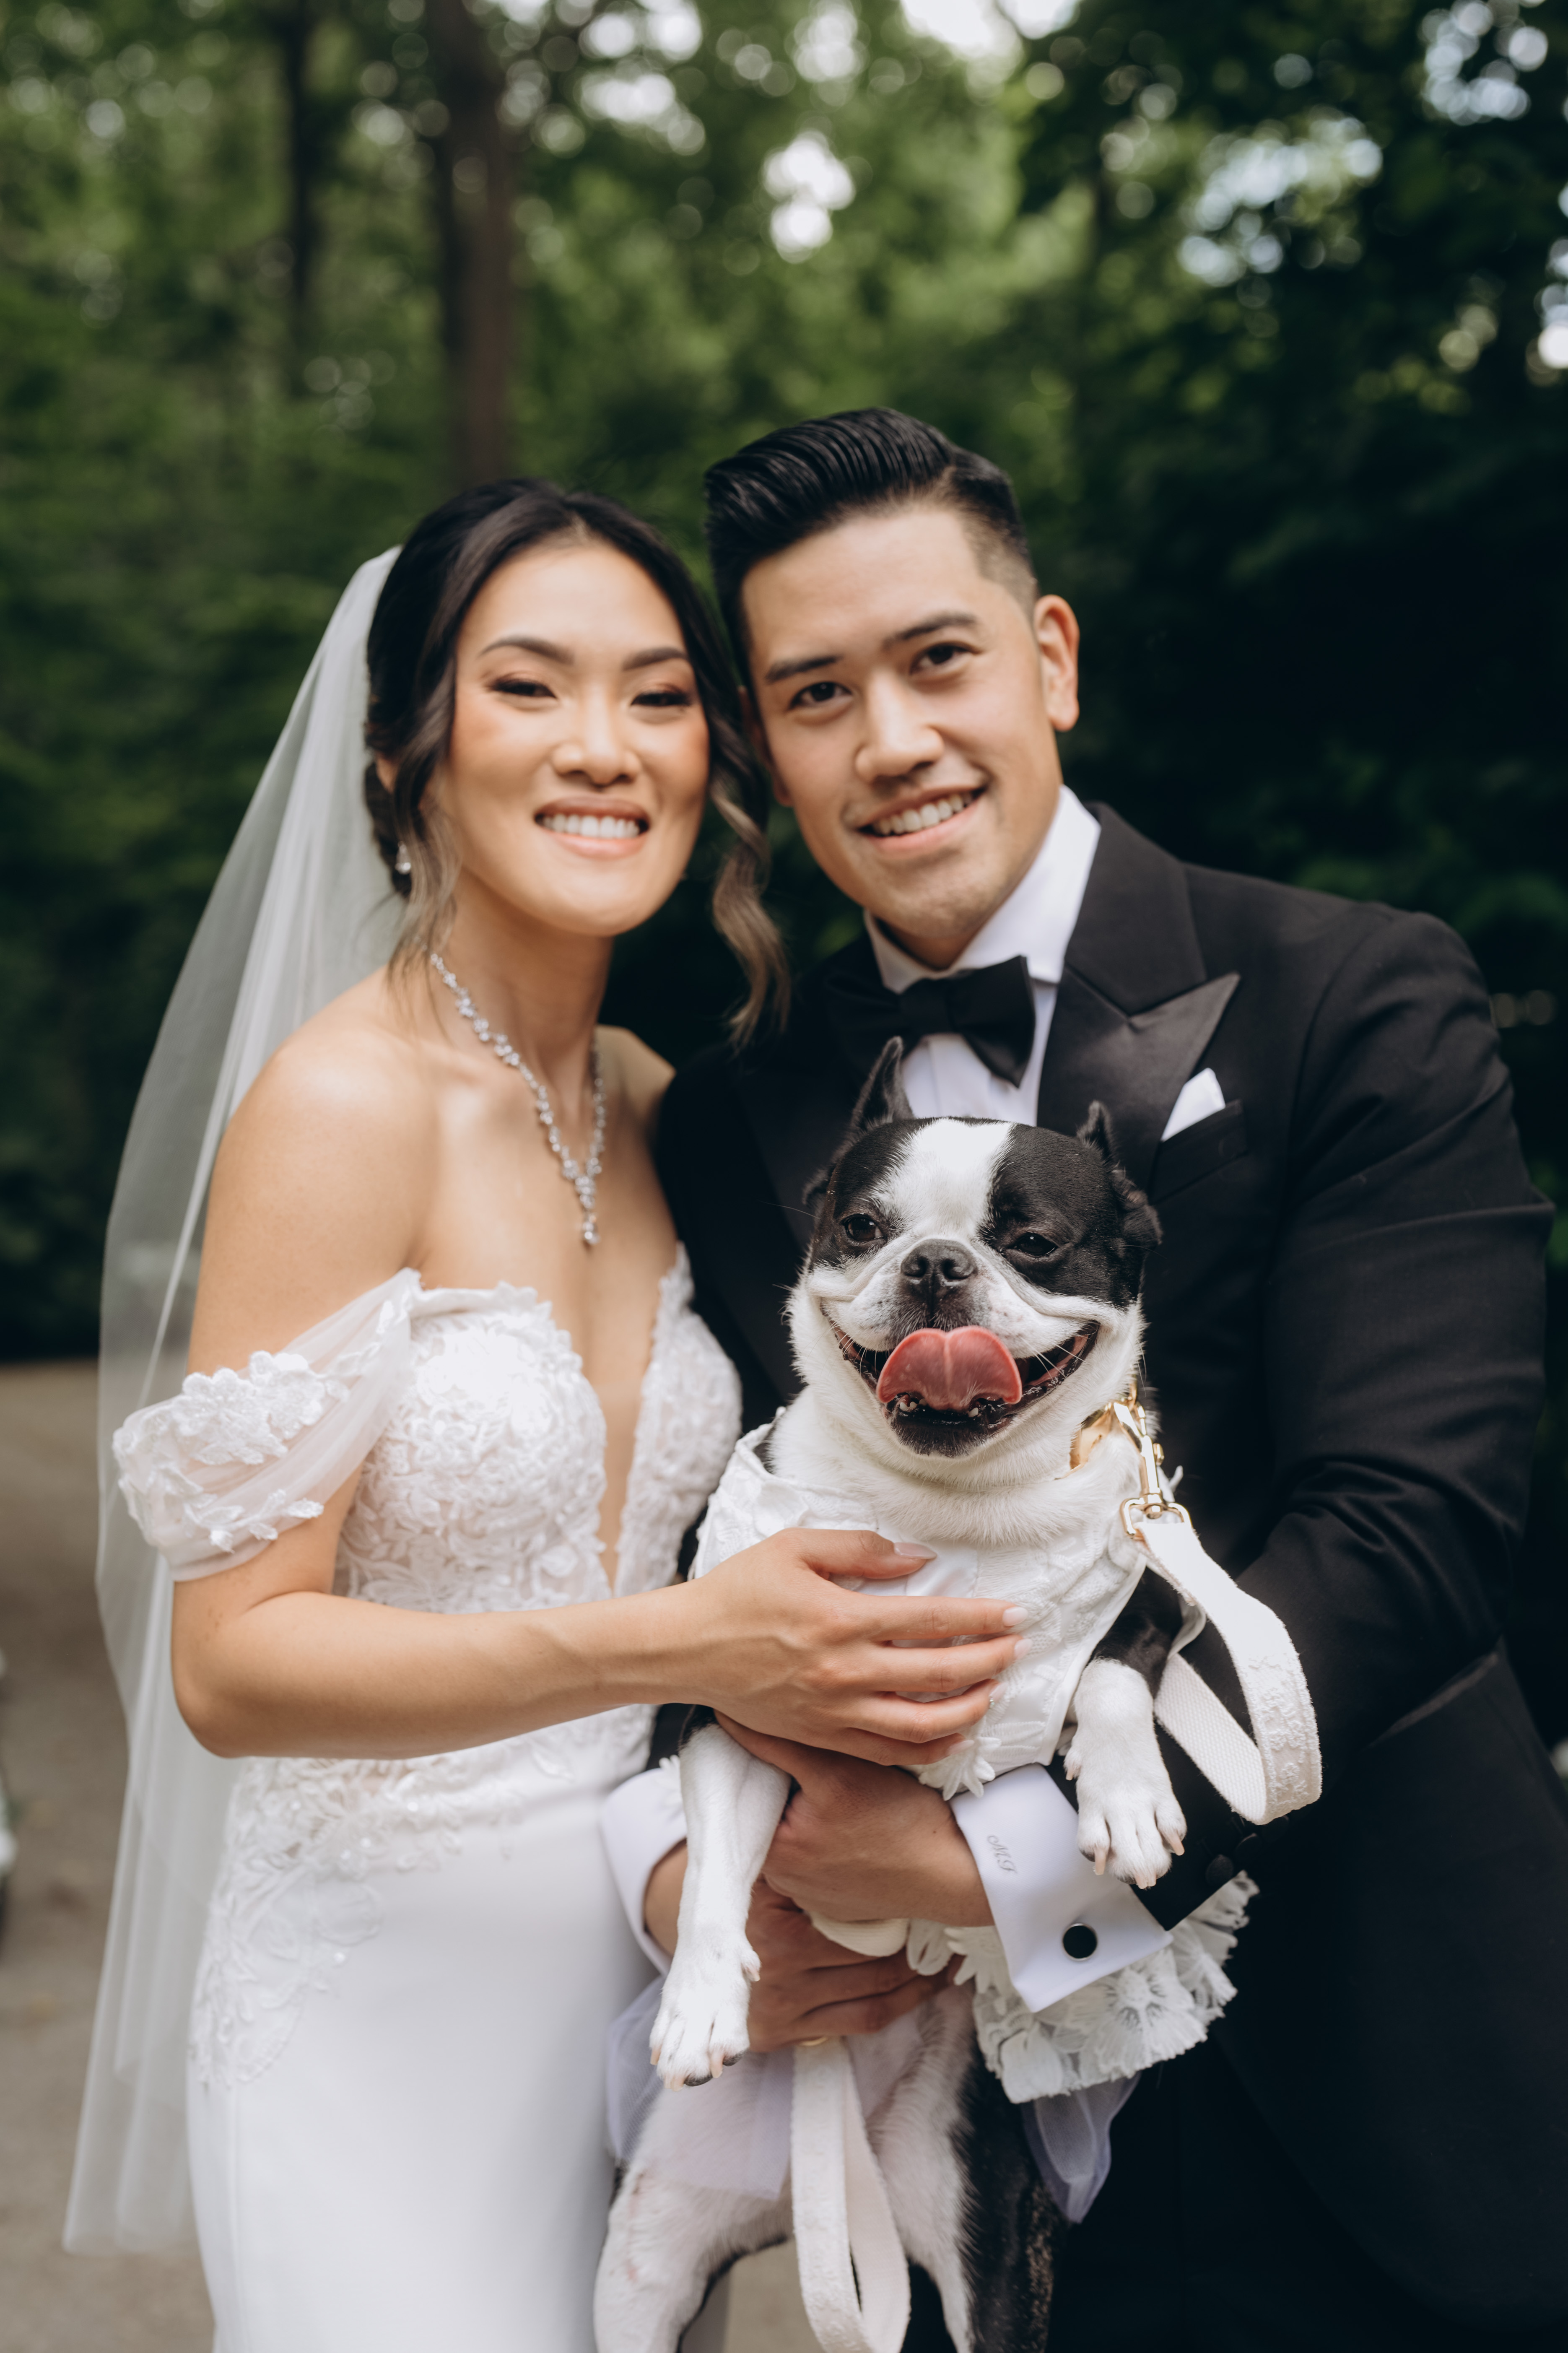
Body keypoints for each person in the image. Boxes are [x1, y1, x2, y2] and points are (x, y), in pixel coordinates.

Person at [629, 410, 1568, 2350]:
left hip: (1362, 2072)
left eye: (937, 659)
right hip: (934, 2136)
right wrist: (679, 1877)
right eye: (816, 693)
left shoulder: (1352, 992)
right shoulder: (733, 1115)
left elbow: (1407, 1532)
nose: (890, 739)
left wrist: (1007, 1863)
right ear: (764, 746)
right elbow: (707, 1529)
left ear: (1047, 655)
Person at [65, 478, 1031, 2353]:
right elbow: (234, 1664)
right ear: (401, 754)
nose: (605, 747)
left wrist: (727, 1883)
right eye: (529, 686)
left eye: (658, 695)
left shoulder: (660, 1105)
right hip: (383, 1999)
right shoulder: (340, 1107)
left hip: (655, 1994)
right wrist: (689, 1640)